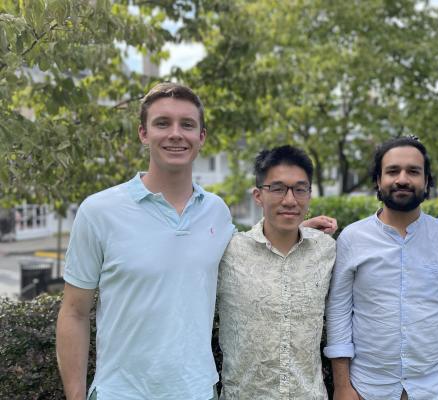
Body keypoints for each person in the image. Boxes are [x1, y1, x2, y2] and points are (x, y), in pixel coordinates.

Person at [55, 83, 336, 400]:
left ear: (201, 137)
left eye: (187, 124)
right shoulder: (99, 211)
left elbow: (249, 250)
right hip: (120, 393)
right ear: (143, 133)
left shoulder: (215, 211)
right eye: (163, 123)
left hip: (199, 391)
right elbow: (74, 313)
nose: (176, 133)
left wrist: (295, 228)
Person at [324, 136, 438, 400]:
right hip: (367, 388)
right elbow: (338, 312)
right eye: (392, 171)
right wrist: (343, 386)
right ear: (378, 180)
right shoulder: (352, 238)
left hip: (436, 388)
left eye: (413, 171)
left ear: (426, 181)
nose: (402, 179)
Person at [216, 145, 336, 399]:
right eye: (278, 189)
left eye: (300, 189)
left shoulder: (326, 250)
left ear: (309, 194)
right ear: (258, 195)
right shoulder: (228, 252)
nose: (290, 200)